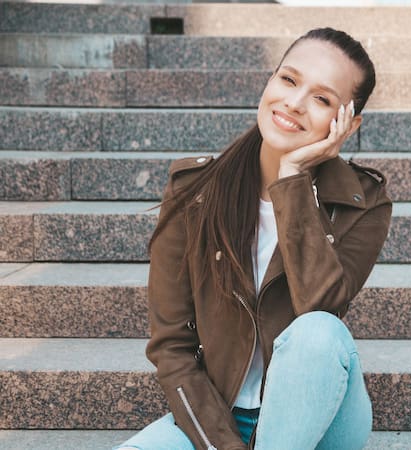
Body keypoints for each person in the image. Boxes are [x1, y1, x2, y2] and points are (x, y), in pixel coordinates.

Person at [115, 27, 391, 450]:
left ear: (347, 125)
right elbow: (172, 347)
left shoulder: (362, 203)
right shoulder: (195, 191)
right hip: (219, 413)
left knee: (319, 332)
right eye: (289, 79)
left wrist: (292, 180)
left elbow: (321, 305)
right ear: (270, 79)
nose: (294, 104)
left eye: (321, 99)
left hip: (318, 419)